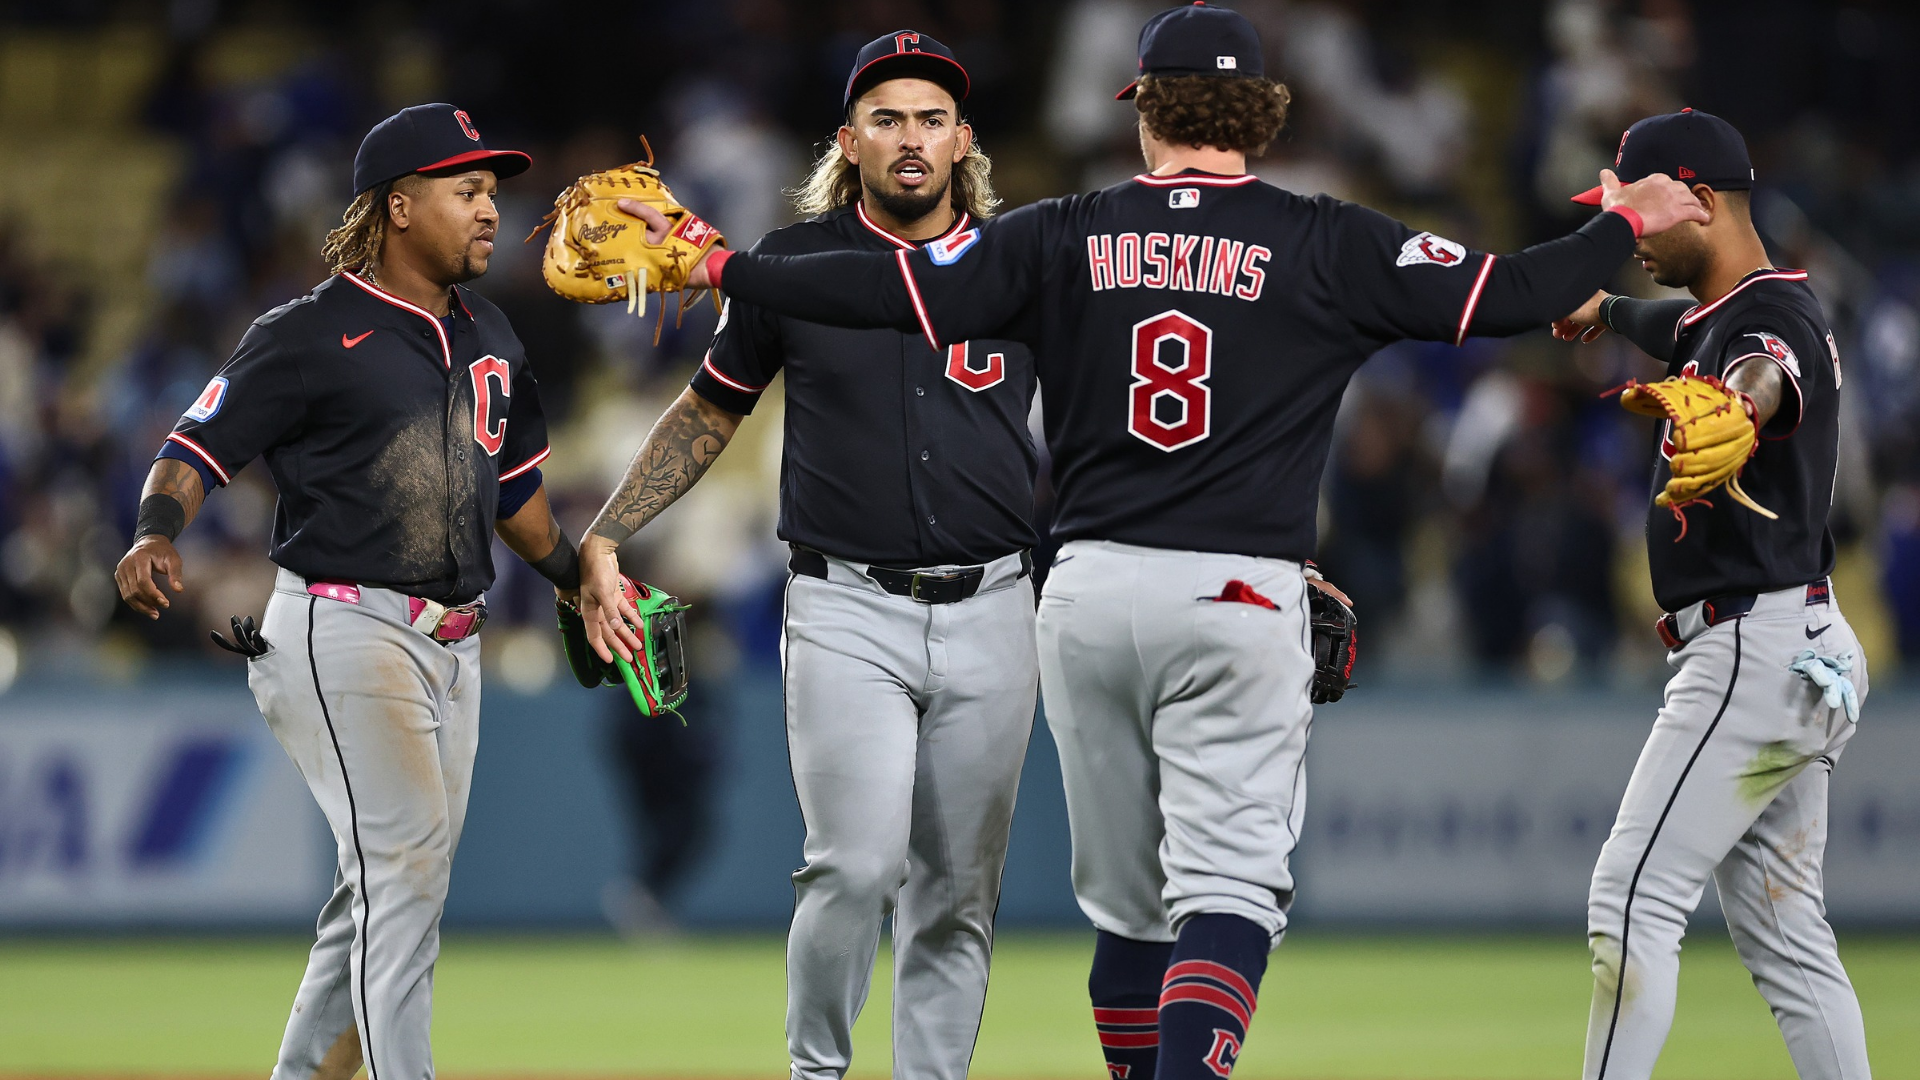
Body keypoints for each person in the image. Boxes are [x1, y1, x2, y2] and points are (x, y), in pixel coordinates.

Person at [636, 5, 1710, 1077]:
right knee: (1229, 896)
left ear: (1145, 110)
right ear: (1266, 113)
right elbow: (1519, 291)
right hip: (1239, 588)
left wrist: (724, 268)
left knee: (1131, 914)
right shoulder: (1329, 237)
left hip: (1087, 598)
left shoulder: (1064, 231)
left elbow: (890, 287)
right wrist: (1625, 219)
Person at [578, 33, 1040, 1080]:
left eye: (931, 117)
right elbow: (709, 411)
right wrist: (607, 529)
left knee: (957, 894)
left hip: (998, 603)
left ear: (964, 139)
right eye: (887, 117)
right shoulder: (787, 262)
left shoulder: (1021, 265)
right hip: (848, 605)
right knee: (853, 867)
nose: (911, 137)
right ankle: (817, 1072)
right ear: (850, 140)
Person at [113, 104, 580, 1080]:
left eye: (492, 190)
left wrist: (581, 581)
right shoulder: (310, 331)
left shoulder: (492, 329)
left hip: (456, 644)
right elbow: (197, 444)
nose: (491, 209)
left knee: (388, 883)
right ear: (400, 206)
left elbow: (519, 496)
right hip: (343, 624)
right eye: (467, 190)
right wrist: (157, 530)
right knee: (403, 872)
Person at [1552, 109, 1871, 1080]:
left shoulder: (1769, 324)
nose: (1627, 233)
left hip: (1750, 648)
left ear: (1700, 197)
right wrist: (1606, 311)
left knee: (1630, 896)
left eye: (1637, 213)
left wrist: (1739, 404)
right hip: (1797, 642)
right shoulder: (1729, 309)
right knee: (1786, 935)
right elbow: (1682, 331)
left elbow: (1760, 370)